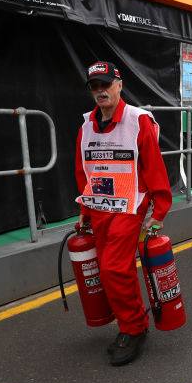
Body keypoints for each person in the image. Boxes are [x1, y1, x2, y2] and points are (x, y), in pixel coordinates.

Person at [74, 61, 172, 366]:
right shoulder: (86, 126)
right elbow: (84, 172)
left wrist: (159, 210)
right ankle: (130, 321)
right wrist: (85, 210)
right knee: (111, 270)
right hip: (100, 209)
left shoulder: (137, 121)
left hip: (130, 207)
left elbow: (154, 168)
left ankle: (134, 328)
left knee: (113, 269)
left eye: (106, 85)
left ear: (119, 85)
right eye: (95, 87)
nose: (101, 91)